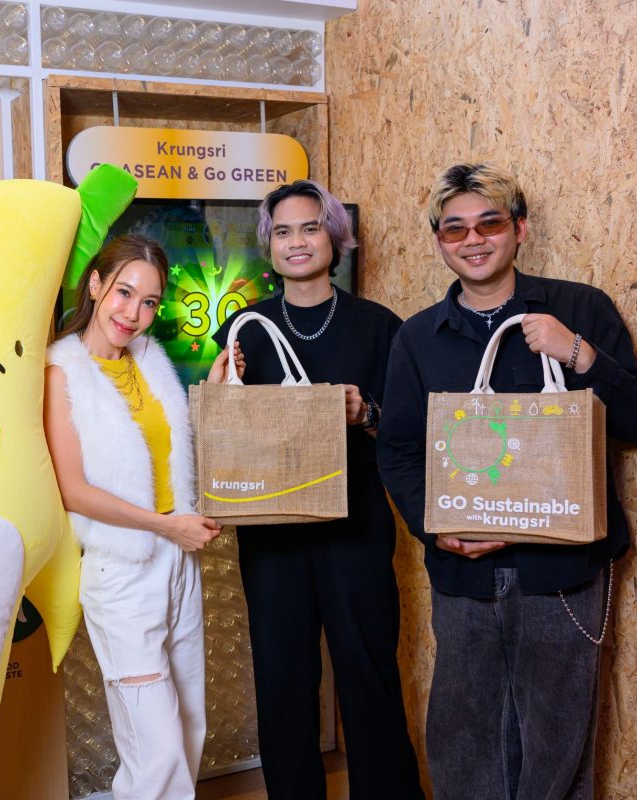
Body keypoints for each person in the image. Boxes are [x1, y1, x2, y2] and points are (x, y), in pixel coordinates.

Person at [377, 163, 637, 799]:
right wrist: (435, 527)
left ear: (520, 230)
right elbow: (398, 450)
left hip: (563, 575)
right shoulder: (418, 338)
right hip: (463, 576)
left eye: (490, 224)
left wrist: (576, 353)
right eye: (455, 229)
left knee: (558, 745)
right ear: (439, 242)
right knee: (464, 738)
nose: (473, 240)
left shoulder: (580, 309)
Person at [211, 180, 424, 800]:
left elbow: (410, 431)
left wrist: (366, 413)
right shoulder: (244, 327)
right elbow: (222, 432)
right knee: (282, 680)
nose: (297, 242)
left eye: (309, 228)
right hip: (271, 533)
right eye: (282, 231)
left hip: (355, 527)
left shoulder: (380, 327)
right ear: (269, 245)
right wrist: (223, 388)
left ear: (334, 237)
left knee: (369, 674)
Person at [44, 233, 231, 799]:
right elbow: (73, 490)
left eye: (149, 302)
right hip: (121, 569)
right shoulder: (62, 372)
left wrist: (211, 391)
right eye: (124, 293)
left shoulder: (150, 361)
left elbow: (166, 455)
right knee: (157, 747)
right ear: (96, 285)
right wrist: (165, 525)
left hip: (177, 561)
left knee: (188, 726)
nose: (133, 314)